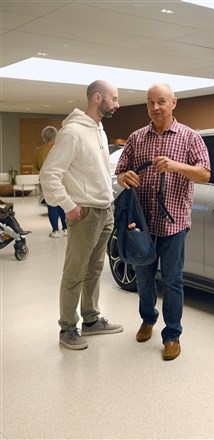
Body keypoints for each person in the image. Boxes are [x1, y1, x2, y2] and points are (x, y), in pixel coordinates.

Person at [115, 83, 210, 361]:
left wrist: (176, 166)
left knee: (172, 281)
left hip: (174, 223)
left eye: (161, 102)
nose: (155, 107)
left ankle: (172, 335)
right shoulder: (136, 138)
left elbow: (204, 174)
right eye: (150, 102)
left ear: (173, 103)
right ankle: (148, 318)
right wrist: (124, 178)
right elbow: (120, 172)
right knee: (143, 279)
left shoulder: (190, 137)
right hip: (142, 224)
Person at [40, 80, 124, 350]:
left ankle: (91, 319)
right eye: (114, 98)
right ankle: (67, 328)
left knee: (94, 269)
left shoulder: (99, 129)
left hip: (104, 210)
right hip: (84, 213)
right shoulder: (73, 132)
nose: (117, 104)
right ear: (98, 98)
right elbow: (49, 174)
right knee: (75, 272)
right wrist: (67, 205)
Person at [33, 126, 68, 238]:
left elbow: (36, 167)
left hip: (47, 181)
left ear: (44, 137)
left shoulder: (39, 152)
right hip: (62, 180)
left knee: (52, 205)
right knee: (63, 204)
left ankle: (55, 231)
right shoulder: (62, 149)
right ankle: (66, 228)